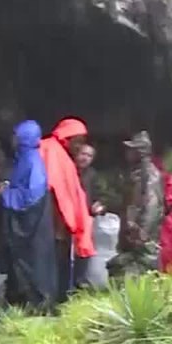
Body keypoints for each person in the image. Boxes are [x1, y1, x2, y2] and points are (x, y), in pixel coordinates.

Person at [1, 120, 59, 315]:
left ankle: (41, 305)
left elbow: (33, 195)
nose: (12, 140)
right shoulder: (23, 159)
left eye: (16, 136)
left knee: (36, 263)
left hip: (35, 226)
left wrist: (7, 195)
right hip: (30, 225)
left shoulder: (32, 161)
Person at [40, 118, 95, 302]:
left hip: (63, 222)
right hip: (54, 222)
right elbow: (53, 189)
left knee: (63, 265)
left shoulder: (63, 155)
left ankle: (60, 300)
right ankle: (52, 302)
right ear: (67, 137)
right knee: (53, 265)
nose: (80, 147)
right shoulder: (50, 150)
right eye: (77, 142)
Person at [109, 131, 163, 278]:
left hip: (142, 235)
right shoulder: (135, 173)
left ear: (140, 152)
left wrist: (142, 233)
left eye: (131, 149)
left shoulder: (149, 175)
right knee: (123, 268)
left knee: (145, 270)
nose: (127, 152)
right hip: (131, 232)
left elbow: (152, 206)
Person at [152, 153, 172, 274]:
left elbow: (169, 203)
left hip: (168, 220)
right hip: (165, 218)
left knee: (167, 247)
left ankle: (166, 273)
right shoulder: (162, 179)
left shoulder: (167, 179)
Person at [75, 143, 105, 216]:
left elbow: (97, 195)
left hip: (85, 216)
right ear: (76, 154)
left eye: (89, 156)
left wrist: (98, 205)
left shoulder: (92, 174)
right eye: (83, 154)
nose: (85, 158)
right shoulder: (68, 170)